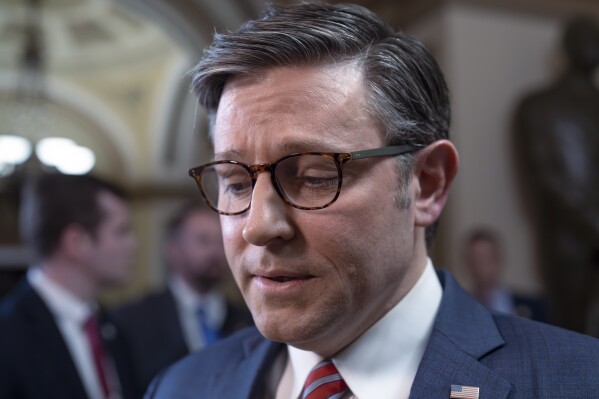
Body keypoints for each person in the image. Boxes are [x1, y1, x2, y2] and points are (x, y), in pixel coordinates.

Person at [146, 3, 599, 398]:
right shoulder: (180, 387)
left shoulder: (579, 381)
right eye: (237, 183)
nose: (257, 226)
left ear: (427, 183)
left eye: (313, 176)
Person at [0, 173, 140, 399]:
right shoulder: (8, 336)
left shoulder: (112, 326)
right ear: (77, 242)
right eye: (121, 232)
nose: (133, 245)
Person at [514, 16, 599, 335]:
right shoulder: (537, 106)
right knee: (573, 338)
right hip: (568, 243)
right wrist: (592, 223)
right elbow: (545, 174)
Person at [111, 202, 253, 393]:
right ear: (173, 249)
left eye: (220, 242)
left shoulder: (247, 319)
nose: (215, 252)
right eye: (203, 241)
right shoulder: (133, 320)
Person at [464, 228, 548, 322]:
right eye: (475, 260)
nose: (480, 267)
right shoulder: (460, 310)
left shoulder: (532, 307)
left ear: (499, 260)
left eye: (486, 259)